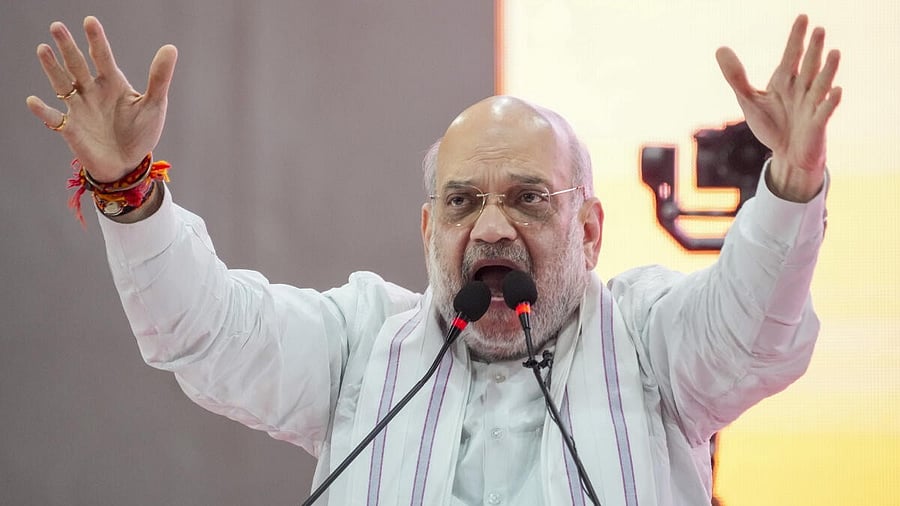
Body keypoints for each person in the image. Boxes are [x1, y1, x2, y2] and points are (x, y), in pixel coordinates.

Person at [26, 13, 840, 506]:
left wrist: (793, 184)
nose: (490, 228)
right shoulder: (357, 346)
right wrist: (125, 185)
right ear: (427, 231)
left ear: (591, 231)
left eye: (528, 198)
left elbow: (751, 331)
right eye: (462, 201)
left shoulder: (652, 339)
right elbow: (205, 331)